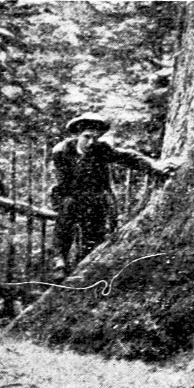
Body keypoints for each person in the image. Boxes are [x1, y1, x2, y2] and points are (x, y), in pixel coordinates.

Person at [50, 113, 174, 277]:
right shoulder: (62, 151)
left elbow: (128, 157)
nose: (91, 142)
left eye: (96, 138)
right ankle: (59, 260)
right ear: (77, 135)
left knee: (93, 237)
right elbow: (62, 183)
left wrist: (153, 165)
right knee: (66, 216)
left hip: (95, 198)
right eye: (87, 137)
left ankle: (84, 271)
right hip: (70, 196)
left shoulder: (101, 149)